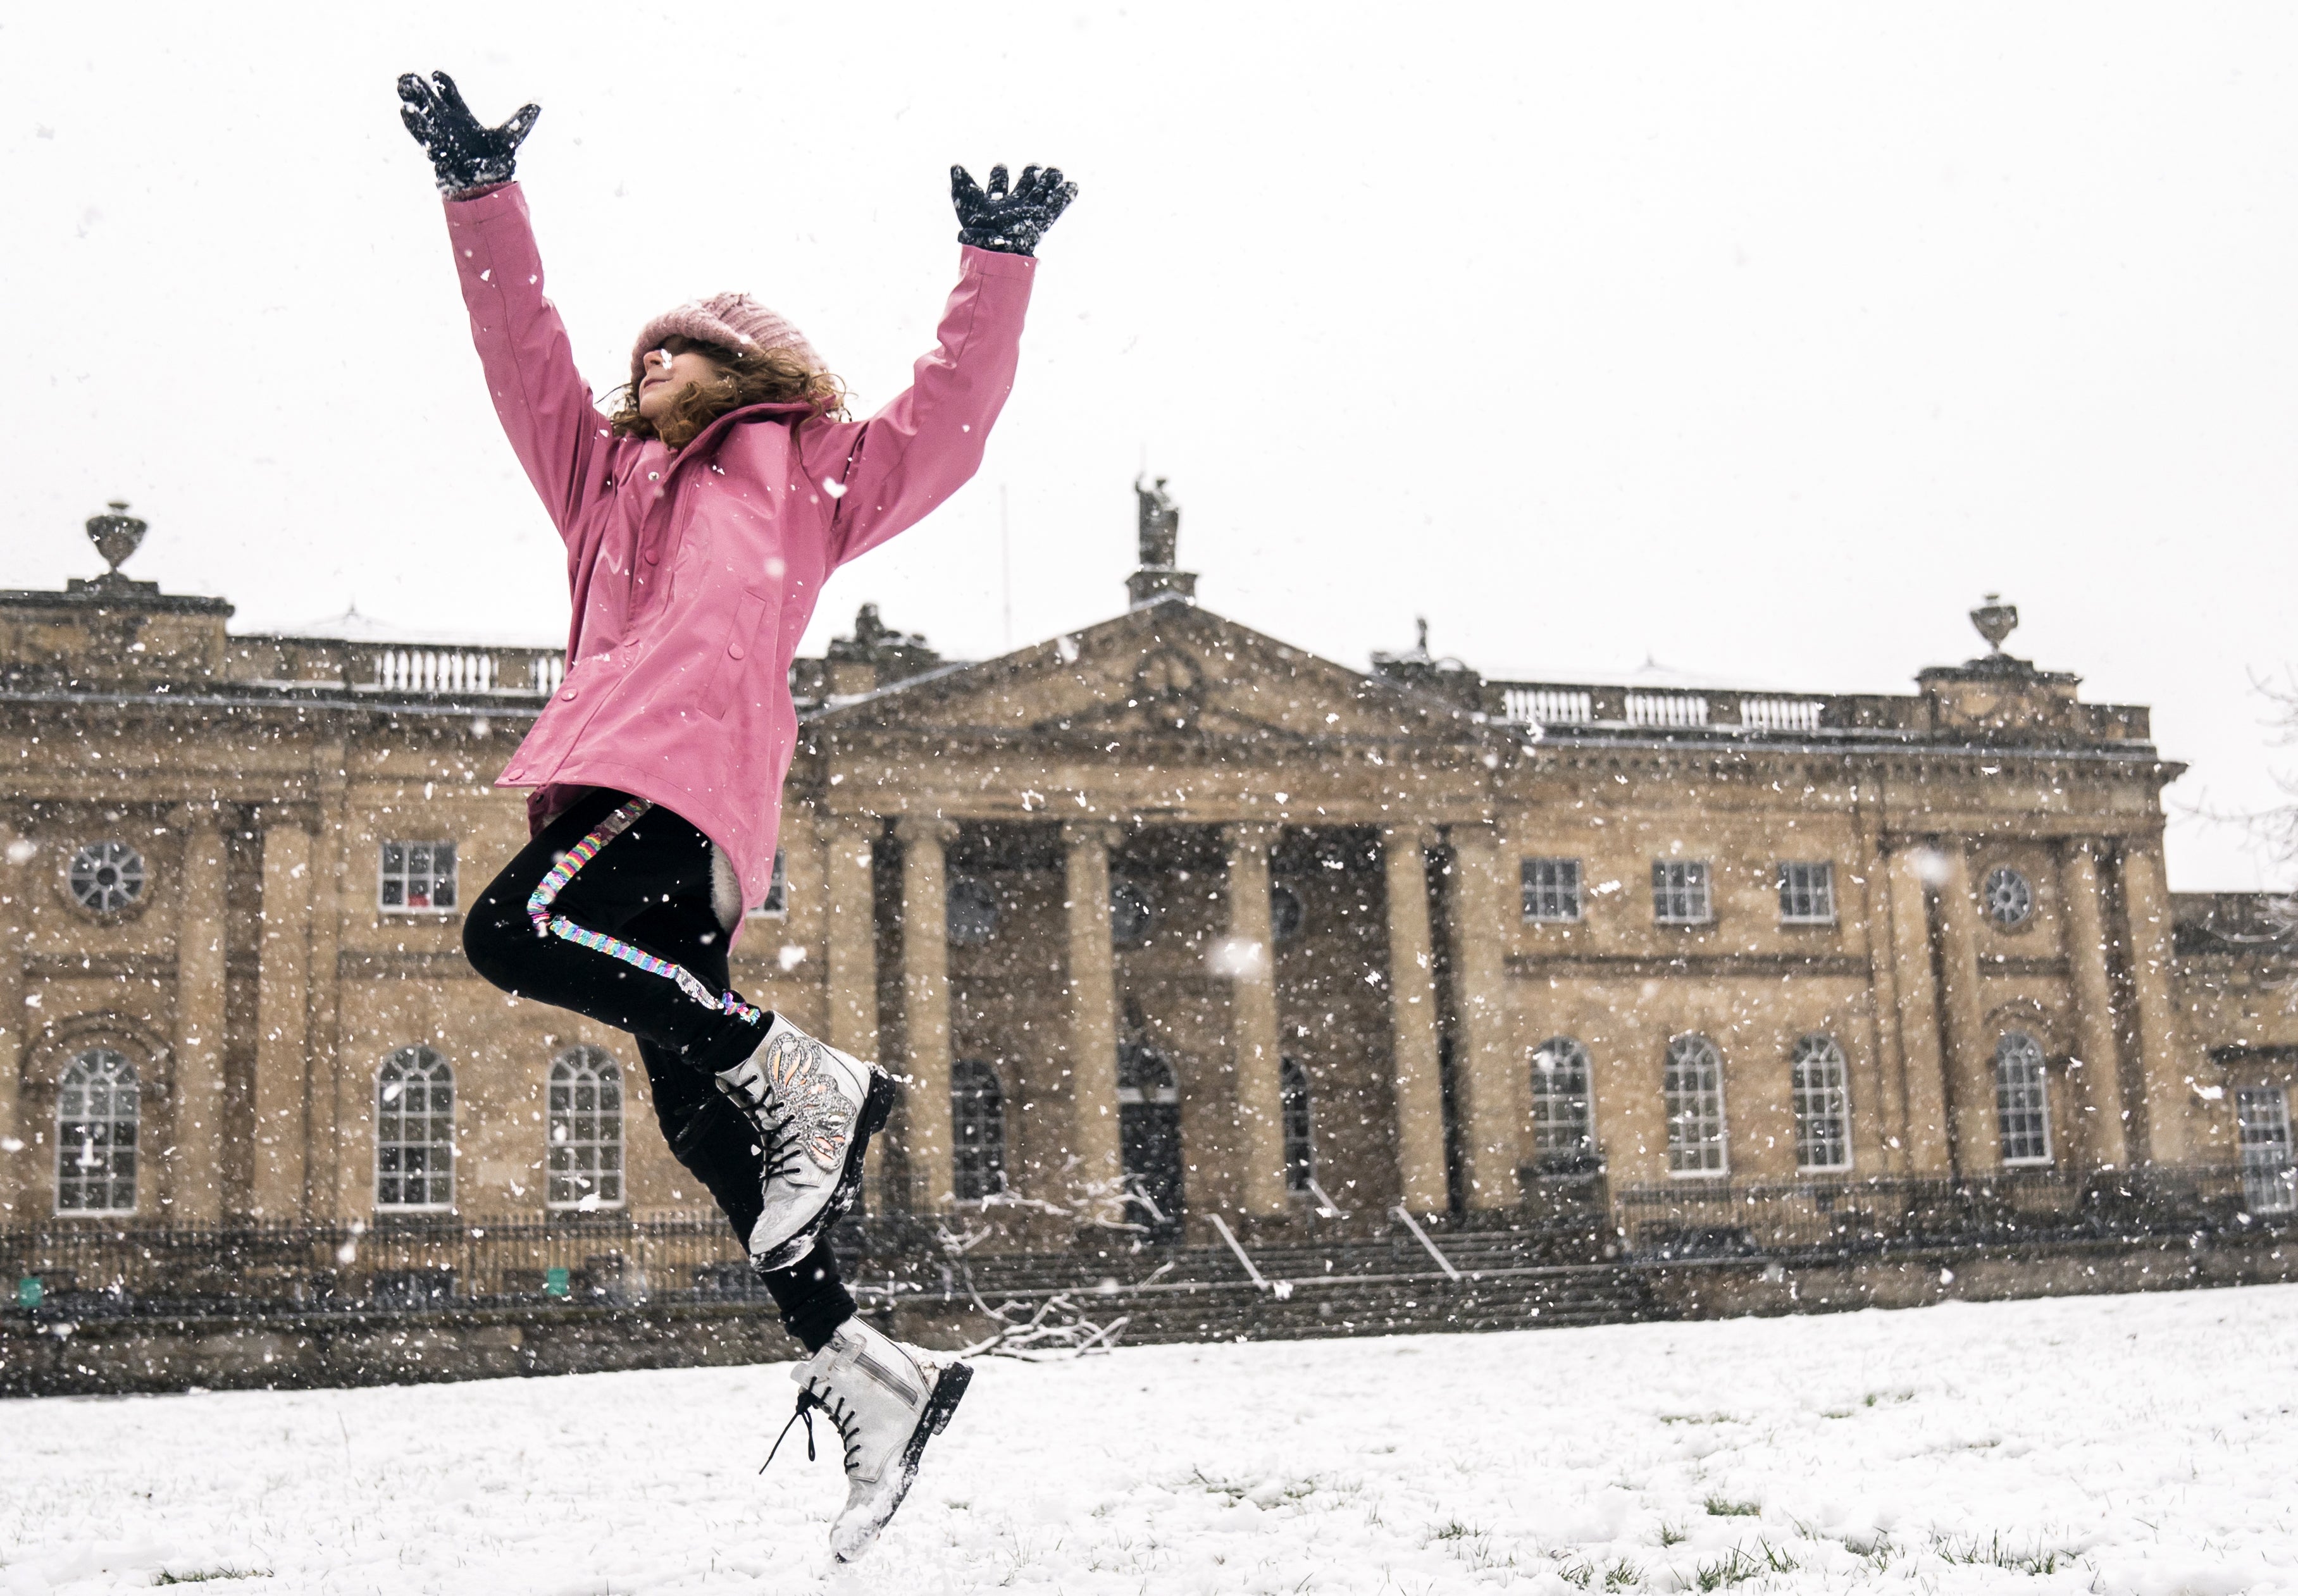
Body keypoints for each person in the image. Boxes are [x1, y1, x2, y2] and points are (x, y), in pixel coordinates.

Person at [394, 68, 1074, 1562]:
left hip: (689, 783)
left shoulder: (810, 474)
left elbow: (946, 427)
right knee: (711, 1131)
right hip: (623, 793)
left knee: (517, 927)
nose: (641, 377)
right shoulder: (602, 476)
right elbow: (522, 353)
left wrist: (995, 271)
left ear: (740, 371)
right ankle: (871, 1370)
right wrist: (476, 194)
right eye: (636, 364)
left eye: (671, 359)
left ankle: (805, 1070)